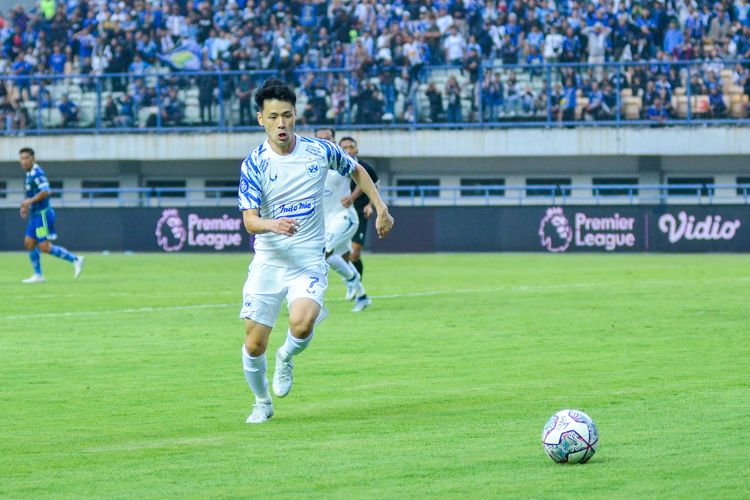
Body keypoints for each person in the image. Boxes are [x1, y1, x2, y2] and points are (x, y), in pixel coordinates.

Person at [238, 78, 394, 424]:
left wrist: (380, 207)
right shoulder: (253, 165)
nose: (282, 123)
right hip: (269, 260)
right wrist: (272, 224)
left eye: (288, 115)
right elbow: (250, 221)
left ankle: (287, 357)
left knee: (303, 322)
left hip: (308, 258)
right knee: (253, 345)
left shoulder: (318, 151)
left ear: (296, 116)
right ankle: (262, 402)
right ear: (261, 119)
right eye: (274, 116)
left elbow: (357, 170)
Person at [314, 128, 373, 312]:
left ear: (334, 140)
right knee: (342, 259)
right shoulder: (311, 163)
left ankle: (351, 280)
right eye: (320, 139)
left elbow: (364, 177)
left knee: (324, 252)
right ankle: (362, 297)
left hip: (345, 217)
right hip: (327, 221)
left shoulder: (341, 159)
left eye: (328, 138)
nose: (325, 141)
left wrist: (353, 197)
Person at [18, 147, 84, 283]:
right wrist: (26, 206)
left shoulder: (37, 173)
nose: (24, 161)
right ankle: (38, 275)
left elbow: (46, 191)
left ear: (33, 159)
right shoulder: (29, 174)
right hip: (35, 215)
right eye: (22, 158)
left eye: (26, 158)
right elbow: (33, 194)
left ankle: (76, 259)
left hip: (42, 215)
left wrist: (28, 201)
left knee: (44, 247)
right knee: (29, 243)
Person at [339, 136, 380, 310]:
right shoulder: (334, 168)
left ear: (356, 150)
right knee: (340, 255)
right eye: (344, 147)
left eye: (351, 147)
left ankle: (356, 287)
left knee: (354, 254)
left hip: (359, 212)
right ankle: (356, 287)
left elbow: (374, 186)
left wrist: (370, 205)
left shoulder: (365, 168)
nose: (348, 150)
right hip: (339, 214)